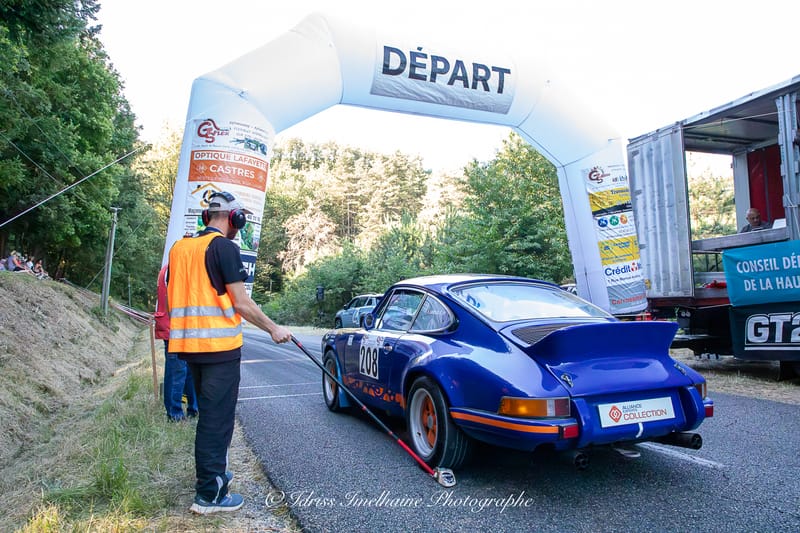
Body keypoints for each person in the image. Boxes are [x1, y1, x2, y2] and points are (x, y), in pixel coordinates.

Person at [166, 190, 292, 515]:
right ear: (234, 218)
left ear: (207, 217)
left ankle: (216, 475)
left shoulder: (180, 247)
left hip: (188, 347)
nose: (240, 225)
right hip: (219, 349)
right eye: (241, 219)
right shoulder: (224, 247)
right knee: (216, 420)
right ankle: (210, 494)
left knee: (209, 416)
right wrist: (274, 329)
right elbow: (241, 303)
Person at [155, 264, 198, 422]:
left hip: (177, 329)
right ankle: (175, 415)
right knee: (177, 373)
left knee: (187, 372)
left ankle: (192, 410)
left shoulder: (169, 268)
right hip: (175, 330)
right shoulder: (174, 269)